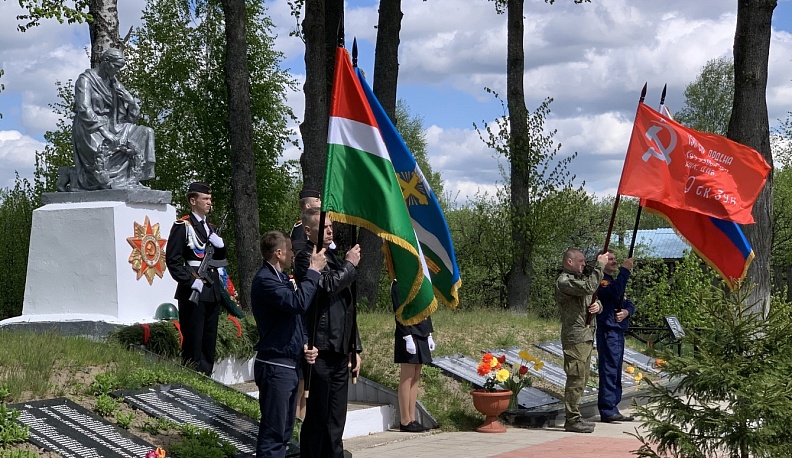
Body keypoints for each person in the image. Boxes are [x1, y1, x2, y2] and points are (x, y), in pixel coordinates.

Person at [250, 231, 326, 457]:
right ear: (279, 253)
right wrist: (312, 272)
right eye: (291, 250)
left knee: (284, 431)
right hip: (275, 365)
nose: (294, 254)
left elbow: (293, 319)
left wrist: (304, 343)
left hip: (288, 364)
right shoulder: (265, 280)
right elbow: (297, 303)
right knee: (274, 433)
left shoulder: (281, 278)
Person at [294, 207, 362, 458]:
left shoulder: (334, 259)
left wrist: (355, 348)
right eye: (324, 226)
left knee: (336, 419)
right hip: (318, 348)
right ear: (309, 231)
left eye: (331, 225)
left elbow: (348, 308)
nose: (330, 230)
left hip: (340, 350)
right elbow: (329, 286)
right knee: (318, 419)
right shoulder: (305, 258)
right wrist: (350, 264)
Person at [66, 48, 155, 191]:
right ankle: (106, 181)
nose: (118, 71)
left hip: (114, 125)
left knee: (146, 132)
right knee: (102, 150)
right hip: (90, 128)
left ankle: (133, 179)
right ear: (106, 62)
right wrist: (106, 133)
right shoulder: (85, 80)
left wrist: (131, 102)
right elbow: (84, 108)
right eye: (117, 66)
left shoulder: (114, 82)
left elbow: (130, 117)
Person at [165, 182, 227, 376]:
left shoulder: (211, 228)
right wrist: (191, 281)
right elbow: (172, 260)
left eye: (210, 199)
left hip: (212, 290)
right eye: (205, 199)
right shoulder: (183, 226)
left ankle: (206, 377)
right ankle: (192, 378)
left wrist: (221, 246)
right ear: (193, 201)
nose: (209, 202)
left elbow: (221, 261)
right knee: (194, 339)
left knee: (209, 340)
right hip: (194, 289)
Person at [555, 248, 608, 433]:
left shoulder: (579, 280)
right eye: (581, 261)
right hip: (575, 337)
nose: (584, 264)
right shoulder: (565, 281)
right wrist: (600, 264)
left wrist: (597, 307)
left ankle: (576, 416)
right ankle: (572, 419)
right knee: (575, 379)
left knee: (583, 379)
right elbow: (589, 288)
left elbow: (592, 296)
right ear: (569, 262)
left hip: (586, 337)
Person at [596, 251, 636, 423]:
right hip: (607, 330)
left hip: (617, 330)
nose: (614, 261)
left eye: (615, 259)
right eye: (610, 259)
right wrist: (625, 271)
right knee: (609, 369)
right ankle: (607, 408)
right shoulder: (601, 281)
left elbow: (627, 302)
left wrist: (627, 312)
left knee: (616, 369)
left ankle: (613, 406)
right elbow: (612, 293)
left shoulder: (613, 280)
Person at [392, 279, 433, 433]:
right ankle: (405, 420)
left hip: (421, 332)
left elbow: (426, 308)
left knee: (416, 375)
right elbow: (399, 311)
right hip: (408, 333)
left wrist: (429, 334)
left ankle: (412, 418)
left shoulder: (419, 282)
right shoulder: (398, 284)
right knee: (407, 375)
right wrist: (406, 336)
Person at [290, 189, 322, 253]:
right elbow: (298, 250)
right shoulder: (301, 226)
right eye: (317, 201)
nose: (320, 203)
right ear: (308, 206)